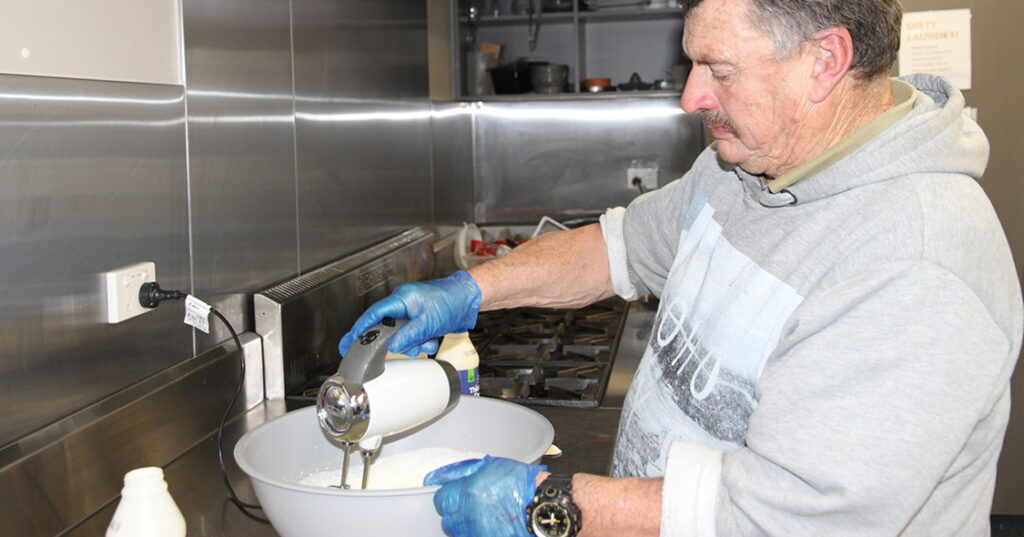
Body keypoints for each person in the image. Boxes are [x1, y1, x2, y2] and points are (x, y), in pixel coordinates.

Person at [339, 0, 1023, 535]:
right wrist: (468, 289)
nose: (691, 96)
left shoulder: (917, 263)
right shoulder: (745, 166)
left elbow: (784, 520)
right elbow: (623, 246)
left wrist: (546, 504)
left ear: (826, 61)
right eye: (693, 64)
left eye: (719, 69)